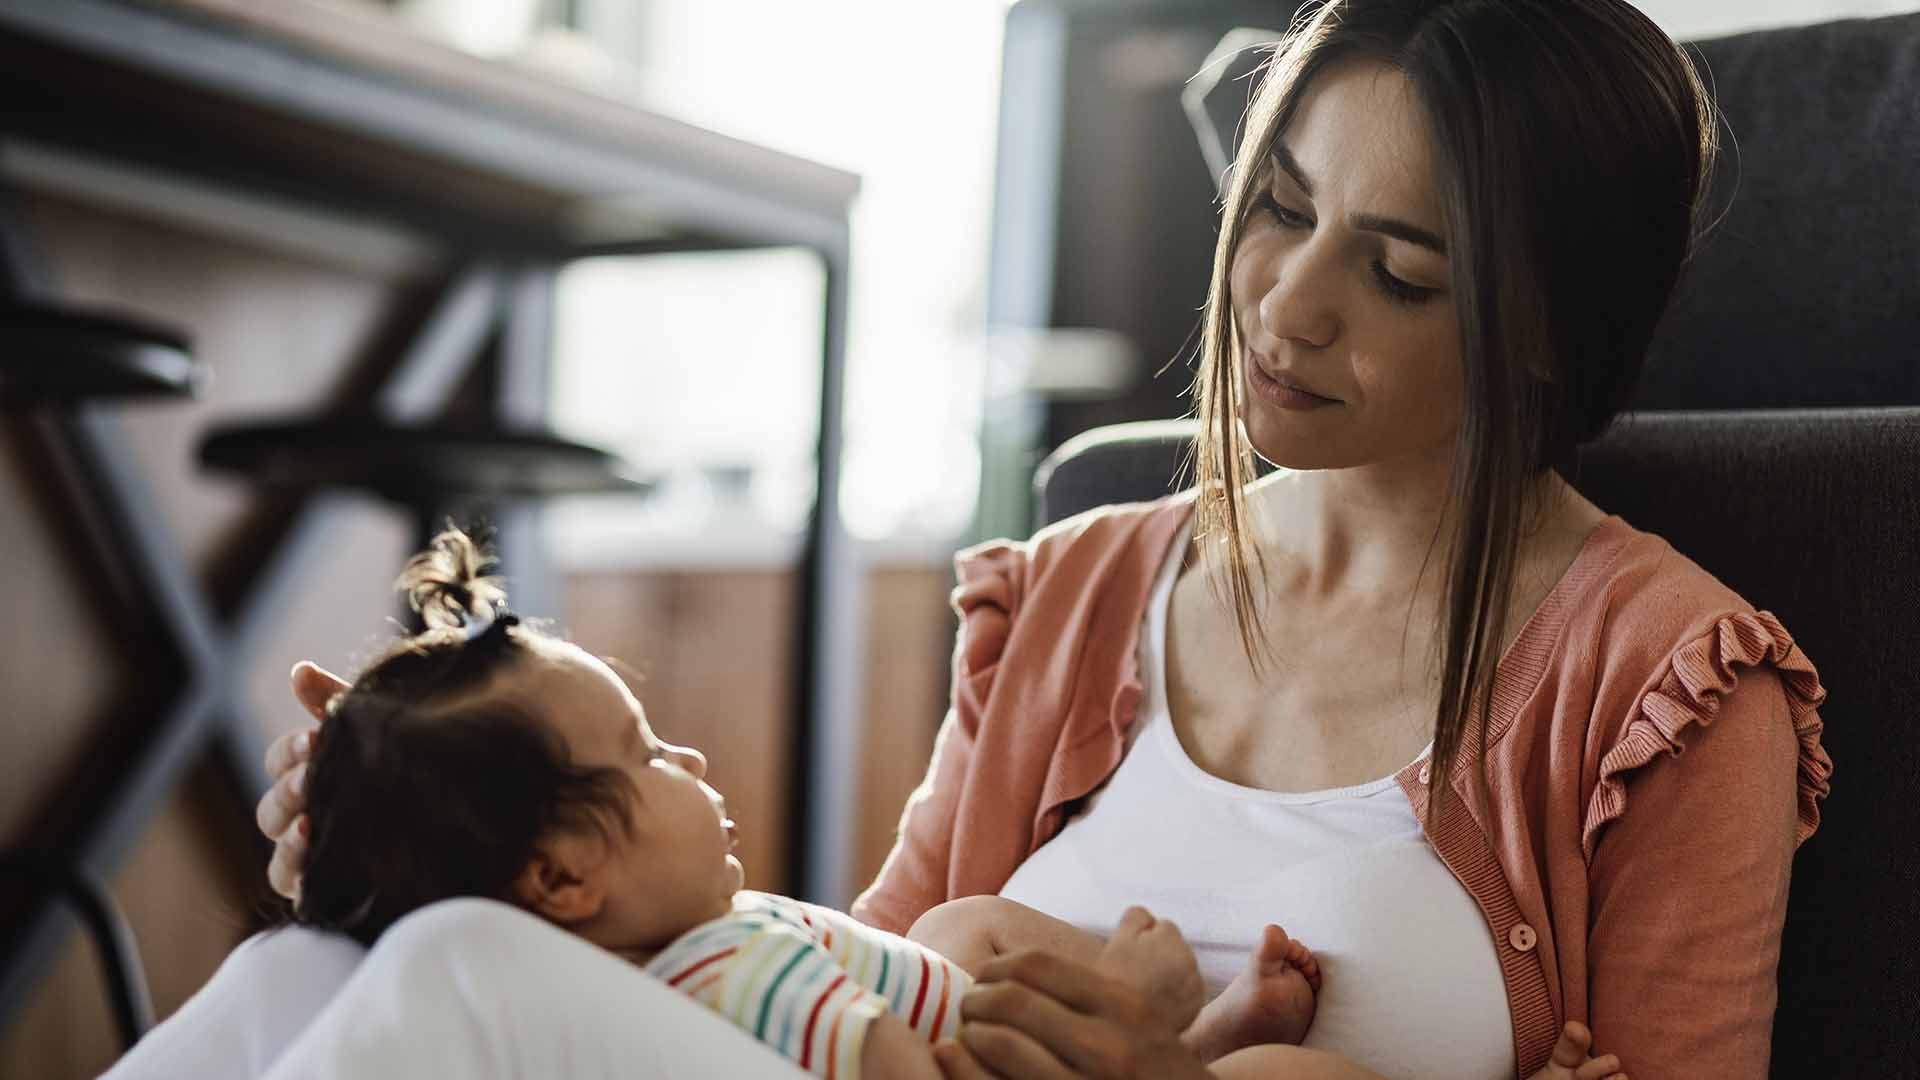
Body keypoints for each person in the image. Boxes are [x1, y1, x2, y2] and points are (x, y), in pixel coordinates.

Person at [255, 0, 1832, 1076]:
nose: (1284, 305)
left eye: (1402, 272)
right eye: (1280, 208)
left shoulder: (1673, 693)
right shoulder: (1078, 588)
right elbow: (820, 986)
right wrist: (444, 833)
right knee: (317, 971)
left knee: (442, 981)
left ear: (1552, 329)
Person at [269, 526, 1443, 1079]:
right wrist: (1115, 1021)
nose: (688, 756)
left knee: (959, 926)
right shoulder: (727, 972)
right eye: (644, 757)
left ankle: (1196, 1041)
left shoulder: (676, 961)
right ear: (566, 879)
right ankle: (1206, 1046)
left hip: (930, 995)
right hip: (987, 1053)